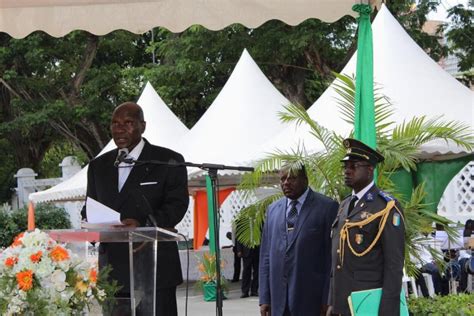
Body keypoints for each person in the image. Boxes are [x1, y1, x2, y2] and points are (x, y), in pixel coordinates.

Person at [84, 102, 189, 315]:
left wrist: (145, 227)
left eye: (128, 123)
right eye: (114, 123)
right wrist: (91, 223)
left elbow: (177, 205)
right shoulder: (98, 166)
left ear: (143, 126)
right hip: (113, 272)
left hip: (156, 269)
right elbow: (89, 207)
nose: (119, 128)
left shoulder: (168, 160)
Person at [327, 138, 405, 316]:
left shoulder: (386, 207)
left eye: (353, 166)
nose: (347, 171)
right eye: (345, 166)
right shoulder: (345, 205)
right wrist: (332, 301)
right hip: (343, 304)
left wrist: (387, 311)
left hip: (369, 304)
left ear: (370, 169)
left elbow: (394, 265)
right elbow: (337, 262)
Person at [259, 164, 338, 316]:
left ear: (305, 180)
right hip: (278, 303)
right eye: (282, 179)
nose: (286, 183)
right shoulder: (273, 210)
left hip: (311, 301)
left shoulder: (327, 207)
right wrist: (264, 297)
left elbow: (332, 258)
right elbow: (266, 257)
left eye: (292, 178)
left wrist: (328, 298)